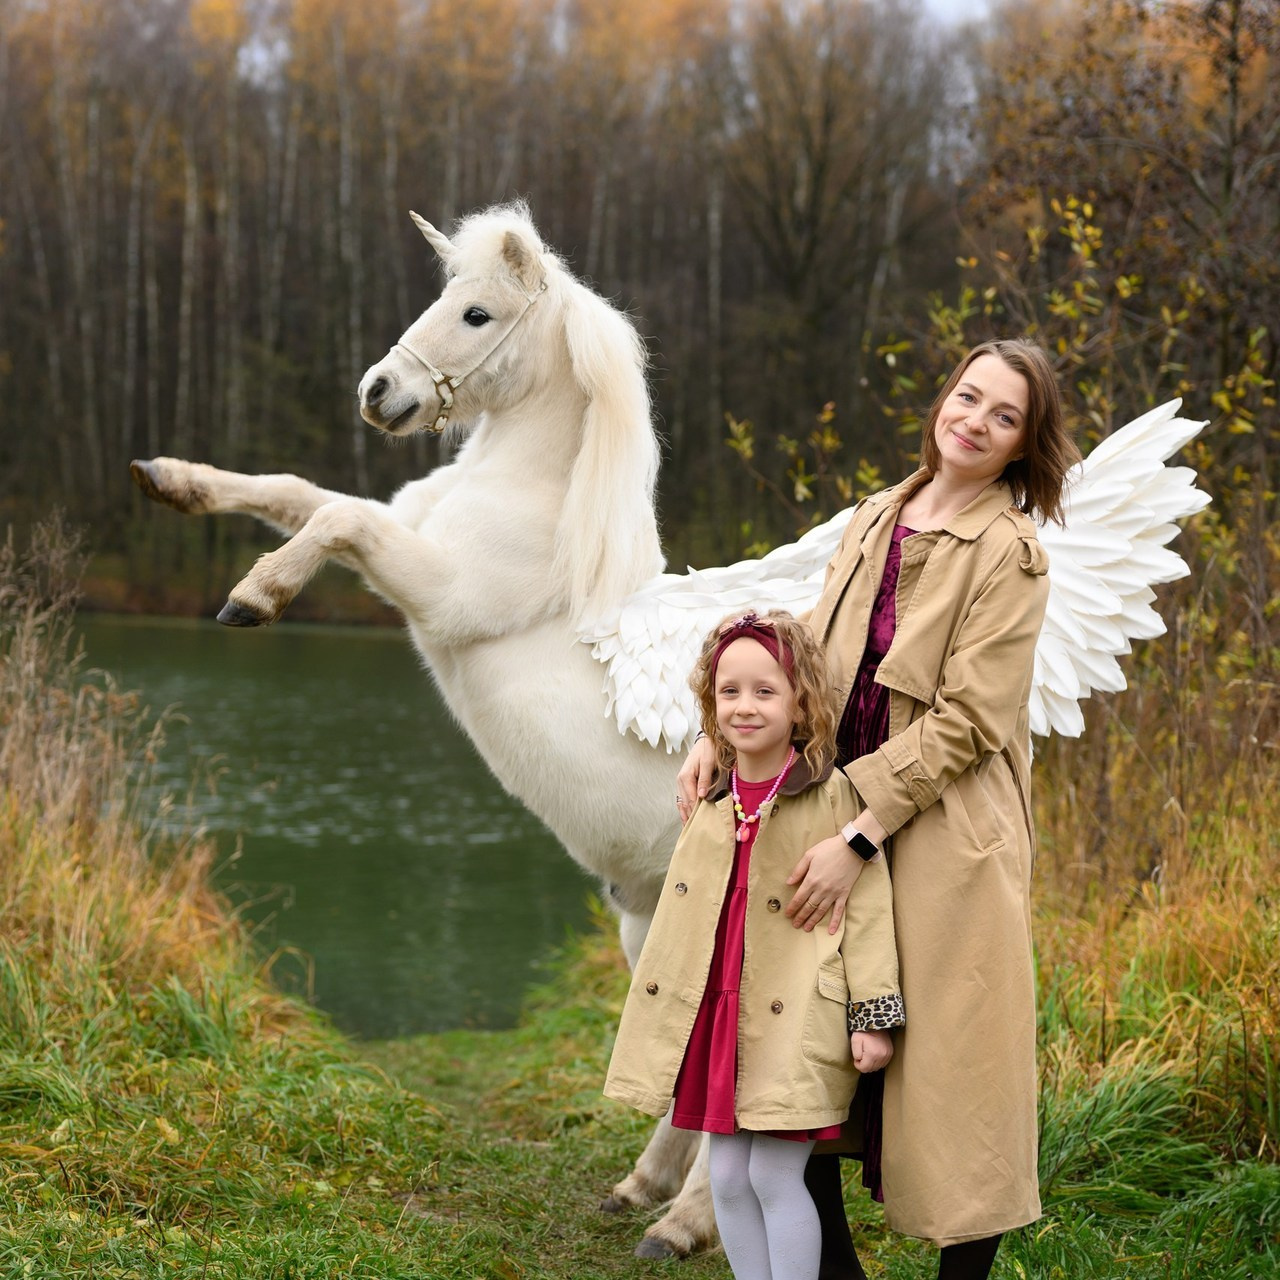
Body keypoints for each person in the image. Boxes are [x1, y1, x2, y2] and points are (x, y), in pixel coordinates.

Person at [676, 339, 1081, 1280]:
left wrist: (855, 830)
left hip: (944, 840)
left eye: (1003, 415)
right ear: (945, 399)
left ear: (1024, 444)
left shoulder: (1011, 555)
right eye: (968, 396)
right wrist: (715, 731)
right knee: (807, 1055)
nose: (973, 421)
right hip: (831, 824)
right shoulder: (874, 516)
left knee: (953, 1079)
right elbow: (803, 659)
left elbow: (972, 721)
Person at [605, 609, 906, 1280]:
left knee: (773, 1176)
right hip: (721, 1017)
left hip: (795, 1015)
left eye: (765, 691)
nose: (745, 707)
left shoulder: (832, 798)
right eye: (729, 691)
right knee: (732, 1180)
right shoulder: (711, 797)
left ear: (801, 702)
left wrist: (874, 1015)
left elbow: (869, 912)